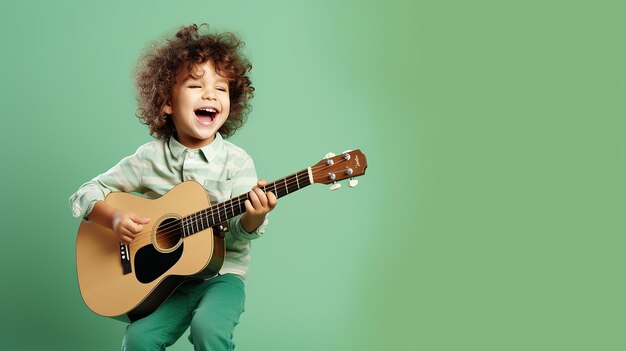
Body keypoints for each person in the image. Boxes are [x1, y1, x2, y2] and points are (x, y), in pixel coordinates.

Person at [69, 23, 276, 351]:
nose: (210, 95)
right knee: (138, 339)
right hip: (167, 285)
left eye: (221, 89)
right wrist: (114, 219)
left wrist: (254, 217)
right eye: (196, 85)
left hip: (222, 279)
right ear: (167, 102)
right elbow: (86, 192)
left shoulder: (237, 162)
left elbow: (239, 232)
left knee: (209, 329)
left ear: (231, 102)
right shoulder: (148, 158)